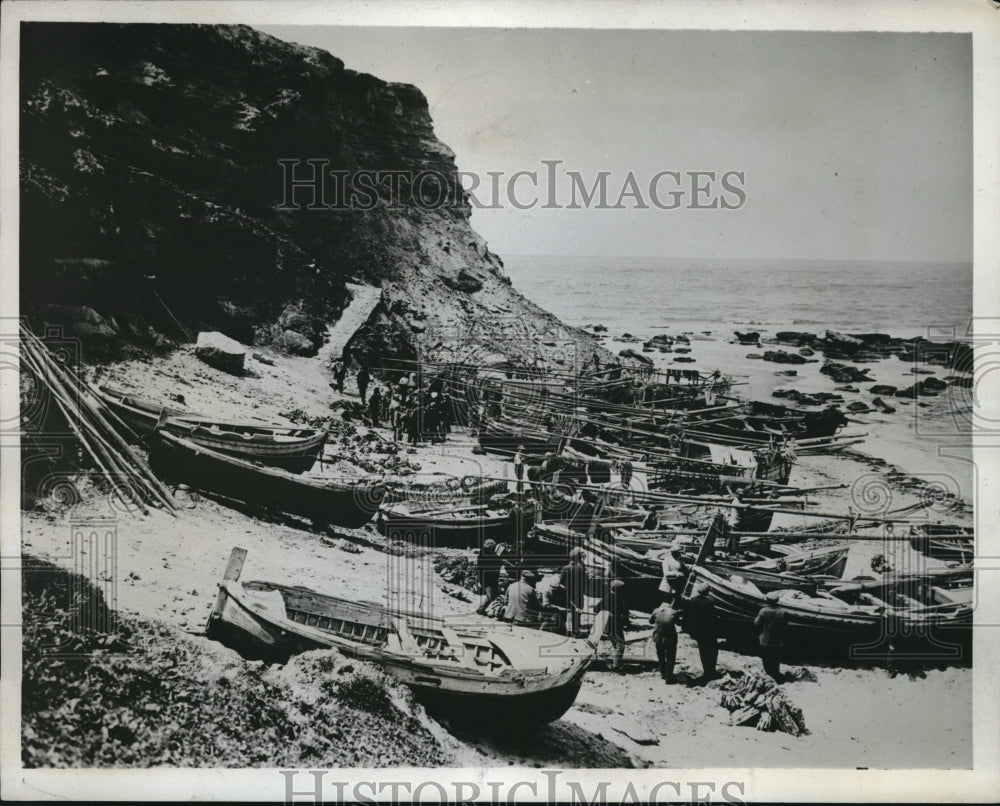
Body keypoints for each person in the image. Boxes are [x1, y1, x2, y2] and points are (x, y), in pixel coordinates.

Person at [682, 581, 719, 685]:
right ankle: (710, 672)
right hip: (708, 632)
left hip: (697, 632)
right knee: (712, 651)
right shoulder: (709, 603)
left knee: (703, 651)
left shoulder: (692, 601)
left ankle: (707, 671)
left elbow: (687, 616)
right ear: (707, 592)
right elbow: (713, 620)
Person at [590, 579, 630, 672]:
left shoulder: (608, 598)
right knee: (620, 645)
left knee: (617, 644)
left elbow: (596, 609)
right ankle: (616, 666)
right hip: (613, 626)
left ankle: (613, 664)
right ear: (619, 590)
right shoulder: (615, 599)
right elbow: (622, 613)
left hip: (608, 625)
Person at [754, 591, 788, 680]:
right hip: (777, 639)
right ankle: (776, 673)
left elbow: (757, 623)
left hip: (765, 638)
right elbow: (785, 626)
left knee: (766, 656)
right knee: (776, 657)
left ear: (767, 600)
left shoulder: (763, 611)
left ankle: (768, 673)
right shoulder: (783, 612)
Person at [559, 547, 588, 636]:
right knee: (578, 611)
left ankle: (571, 629)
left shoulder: (565, 568)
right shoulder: (581, 568)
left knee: (571, 611)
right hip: (579, 593)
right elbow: (585, 581)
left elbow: (561, 582)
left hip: (568, 593)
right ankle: (576, 630)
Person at [649, 600, 679, 682]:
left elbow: (650, 621)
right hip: (670, 638)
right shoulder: (674, 612)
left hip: (658, 637)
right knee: (670, 657)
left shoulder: (656, 610)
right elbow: (678, 623)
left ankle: (662, 673)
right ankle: (669, 677)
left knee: (661, 655)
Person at [476, 539, 502, 615]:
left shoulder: (482, 554)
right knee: (492, 597)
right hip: (488, 579)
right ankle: (492, 611)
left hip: (487, 578)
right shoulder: (486, 555)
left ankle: (480, 610)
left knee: (490, 595)